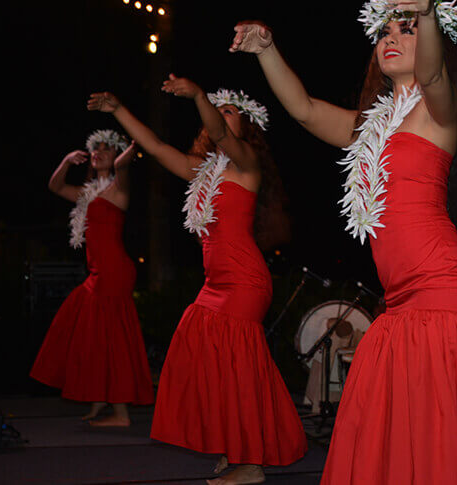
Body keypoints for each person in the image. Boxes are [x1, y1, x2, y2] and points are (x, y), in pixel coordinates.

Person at [231, 1, 457, 483]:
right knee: (414, 445)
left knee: (445, 445)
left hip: (444, 291)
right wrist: (267, 51)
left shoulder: (437, 112)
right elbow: (304, 111)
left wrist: (425, 14)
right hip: (402, 299)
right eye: (384, 31)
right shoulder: (369, 130)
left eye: (404, 30)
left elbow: (431, 78)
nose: (390, 37)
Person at [87, 77, 306, 485]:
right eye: (216, 112)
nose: (220, 118)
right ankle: (234, 446)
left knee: (238, 371)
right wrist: (118, 110)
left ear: (246, 130)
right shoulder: (202, 171)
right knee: (208, 361)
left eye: (230, 113)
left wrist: (201, 97)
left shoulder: (246, 165)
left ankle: (252, 463)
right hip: (215, 284)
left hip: (244, 282)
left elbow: (220, 132)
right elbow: (153, 147)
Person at [30, 130, 155, 426]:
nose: (99, 152)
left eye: (106, 149)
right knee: (93, 332)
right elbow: (55, 185)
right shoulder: (88, 194)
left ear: (116, 155)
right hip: (98, 271)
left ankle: (122, 414)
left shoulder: (118, 188)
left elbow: (123, 165)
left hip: (114, 271)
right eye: (95, 148)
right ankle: (100, 401)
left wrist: (132, 147)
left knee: (112, 337)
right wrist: (66, 161)